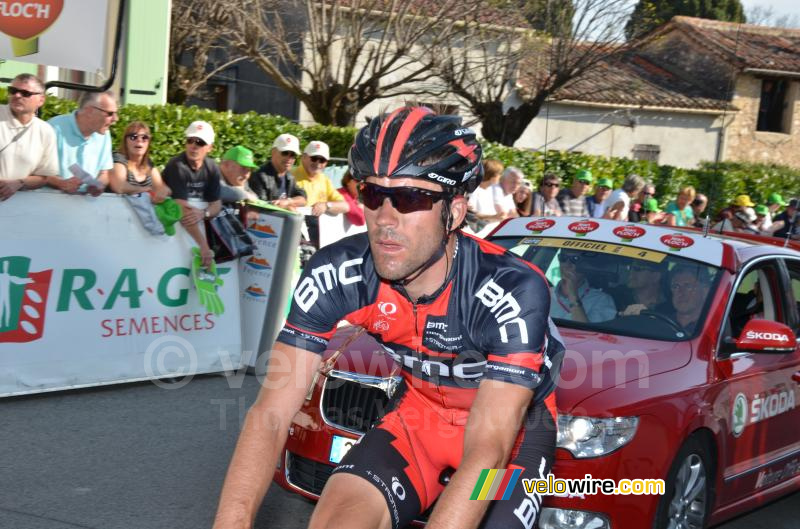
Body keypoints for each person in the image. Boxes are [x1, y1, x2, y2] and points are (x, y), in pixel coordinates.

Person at [213, 107, 565, 529]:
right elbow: (270, 413)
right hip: (420, 420)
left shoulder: (512, 289)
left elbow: (488, 451)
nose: (384, 218)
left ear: (453, 211)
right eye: (372, 194)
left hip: (512, 444)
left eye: (411, 198)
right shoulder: (337, 272)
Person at [161, 121, 222, 267]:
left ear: (210, 148)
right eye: (190, 140)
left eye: (200, 142)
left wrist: (204, 214)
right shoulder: (177, 166)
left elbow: (216, 204)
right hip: (172, 233)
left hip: (192, 232)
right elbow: (183, 210)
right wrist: (204, 246)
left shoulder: (212, 167)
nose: (193, 146)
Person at [47, 89, 118, 196]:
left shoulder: (104, 134)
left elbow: (104, 173)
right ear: (90, 111)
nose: (115, 119)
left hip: (86, 204)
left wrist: (98, 185)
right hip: (49, 201)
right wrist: (62, 183)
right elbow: (37, 171)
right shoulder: (53, 128)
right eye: (110, 113)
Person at [0, 73, 59, 201]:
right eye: (13, 91)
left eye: (25, 93)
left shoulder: (46, 131)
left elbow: (44, 176)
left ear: (41, 100)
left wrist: (18, 183)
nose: (17, 95)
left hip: (21, 208)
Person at [293, 140, 350, 248]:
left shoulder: (324, 180)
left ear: (326, 162)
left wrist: (326, 205)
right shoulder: (291, 176)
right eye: (314, 158)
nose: (318, 163)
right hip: (294, 235)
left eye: (322, 160)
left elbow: (345, 206)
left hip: (316, 239)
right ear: (304, 157)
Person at [110, 121, 170, 201]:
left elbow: (163, 188)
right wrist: (144, 190)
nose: (139, 140)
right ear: (125, 141)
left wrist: (162, 192)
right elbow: (119, 187)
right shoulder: (118, 158)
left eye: (144, 137)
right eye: (133, 137)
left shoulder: (149, 164)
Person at [550, 250, 616, 322]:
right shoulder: (543, 293)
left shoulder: (602, 300)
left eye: (575, 259)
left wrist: (573, 295)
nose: (567, 264)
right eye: (563, 258)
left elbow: (589, 332)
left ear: (586, 265)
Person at [249, 133, 307, 209]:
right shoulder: (260, 176)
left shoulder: (289, 176)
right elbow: (260, 207)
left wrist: (289, 201)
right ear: (273, 152)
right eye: (285, 153)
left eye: (293, 155)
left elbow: (303, 197)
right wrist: (287, 208)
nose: (289, 158)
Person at [667, 265, 711, 334]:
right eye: (676, 286)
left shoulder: (712, 329)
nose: (681, 292)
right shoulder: (662, 322)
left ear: (705, 291)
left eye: (688, 286)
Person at [466, 159, 504, 231]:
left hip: (492, 229)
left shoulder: (492, 189)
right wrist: (494, 217)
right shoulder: (474, 191)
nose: (500, 176)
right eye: (499, 174)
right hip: (481, 232)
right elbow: (472, 215)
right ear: (493, 176)